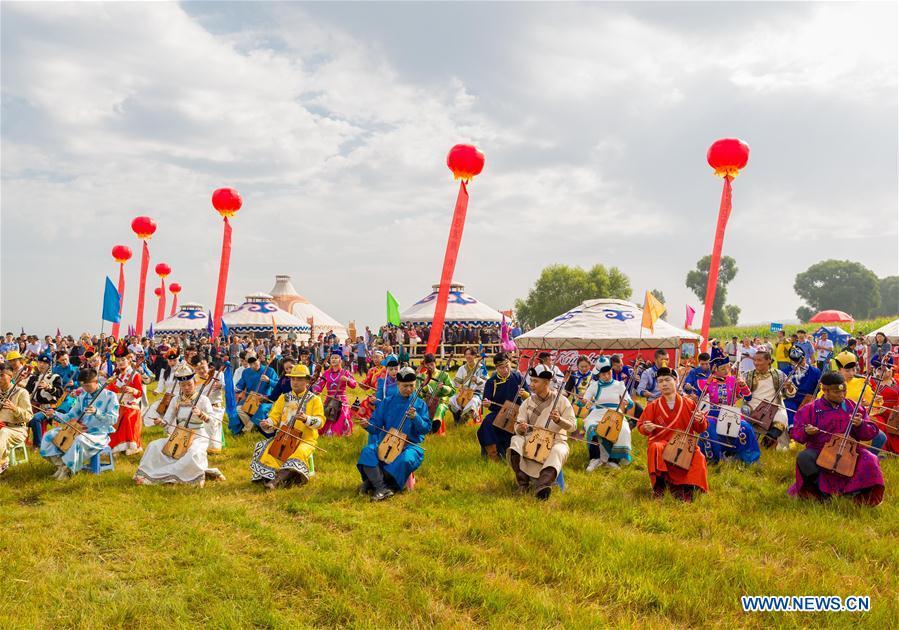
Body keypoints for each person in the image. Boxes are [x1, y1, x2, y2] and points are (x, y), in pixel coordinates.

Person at [788, 371, 884, 505]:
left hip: (850, 450)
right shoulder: (810, 409)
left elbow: (870, 432)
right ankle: (821, 494)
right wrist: (806, 431)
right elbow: (797, 434)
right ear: (824, 390)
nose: (841, 395)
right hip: (820, 450)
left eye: (844, 391)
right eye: (836, 392)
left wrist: (860, 424)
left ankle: (855, 494)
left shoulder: (853, 407)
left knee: (871, 459)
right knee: (804, 457)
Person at [134, 365, 224, 487]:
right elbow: (167, 420)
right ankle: (147, 475)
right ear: (180, 386)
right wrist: (161, 422)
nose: (186, 388)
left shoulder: (203, 400)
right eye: (183, 385)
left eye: (189, 384)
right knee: (153, 446)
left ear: (195, 383)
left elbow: (213, 420)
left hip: (198, 436)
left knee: (193, 453)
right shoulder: (175, 399)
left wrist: (202, 415)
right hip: (179, 436)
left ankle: (191, 477)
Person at [357, 366, 430, 501]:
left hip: (410, 445)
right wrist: (367, 425)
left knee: (407, 459)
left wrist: (416, 418)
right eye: (405, 386)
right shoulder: (387, 402)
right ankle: (381, 487)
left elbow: (425, 429)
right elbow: (376, 426)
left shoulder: (420, 404)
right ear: (398, 384)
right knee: (368, 451)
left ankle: (374, 483)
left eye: (412, 386)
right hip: (388, 442)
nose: (409, 389)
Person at [637, 367, 709, 501]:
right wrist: (647, 428)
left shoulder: (689, 403)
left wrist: (701, 420)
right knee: (655, 448)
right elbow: (641, 426)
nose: (663, 384)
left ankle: (687, 488)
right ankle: (660, 487)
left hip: (683, 444)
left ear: (675, 381)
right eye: (660, 381)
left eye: (667, 380)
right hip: (662, 443)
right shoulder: (652, 406)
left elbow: (700, 429)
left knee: (698, 455)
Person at [251, 364, 324, 489]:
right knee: (264, 447)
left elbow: (320, 422)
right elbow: (274, 416)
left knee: (299, 453)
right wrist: (268, 422)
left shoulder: (315, 399)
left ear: (307, 381)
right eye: (293, 379)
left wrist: (306, 419)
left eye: (299, 379)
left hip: (305, 440)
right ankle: (281, 477)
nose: (295, 382)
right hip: (283, 438)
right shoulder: (283, 398)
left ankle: (275, 481)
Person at [508, 364, 575, 500]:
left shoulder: (562, 401)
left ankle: (542, 486)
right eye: (531, 380)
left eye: (535, 381)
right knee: (516, 441)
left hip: (556, 440)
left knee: (558, 451)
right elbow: (518, 424)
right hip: (532, 437)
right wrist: (520, 428)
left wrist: (559, 420)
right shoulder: (527, 402)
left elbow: (573, 426)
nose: (531, 384)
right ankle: (523, 483)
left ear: (546, 383)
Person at [39, 368, 118, 479]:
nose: (85, 389)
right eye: (83, 386)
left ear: (96, 382)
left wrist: (96, 412)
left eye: (88, 386)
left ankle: (68, 469)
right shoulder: (83, 396)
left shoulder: (110, 396)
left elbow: (113, 420)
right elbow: (70, 416)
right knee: (49, 435)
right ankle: (61, 465)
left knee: (79, 440)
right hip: (79, 430)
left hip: (99, 433)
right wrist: (55, 414)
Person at [697, 356, 760, 464]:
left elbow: (748, 398)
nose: (727, 371)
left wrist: (743, 385)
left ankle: (747, 458)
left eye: (728, 367)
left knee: (746, 428)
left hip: (731, 413)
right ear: (715, 370)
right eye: (722, 369)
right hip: (713, 414)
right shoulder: (707, 382)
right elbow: (697, 397)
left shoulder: (733, 381)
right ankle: (713, 458)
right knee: (708, 427)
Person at [582, 357, 633, 471]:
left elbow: (629, 402)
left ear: (612, 371)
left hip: (615, 413)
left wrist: (627, 402)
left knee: (624, 430)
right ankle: (595, 459)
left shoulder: (619, 384)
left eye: (609, 373)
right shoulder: (594, 385)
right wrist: (583, 401)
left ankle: (614, 460)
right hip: (598, 412)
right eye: (603, 374)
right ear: (599, 374)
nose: (606, 376)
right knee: (591, 426)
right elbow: (585, 400)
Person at [478, 352, 527, 461]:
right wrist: (487, 403)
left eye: (507, 366)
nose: (505, 370)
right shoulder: (492, 382)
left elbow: (529, 397)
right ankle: (493, 454)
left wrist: (524, 394)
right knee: (487, 423)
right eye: (501, 368)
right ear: (496, 368)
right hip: (498, 412)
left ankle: (514, 453)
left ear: (510, 364)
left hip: (516, 413)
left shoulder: (518, 377)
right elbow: (487, 400)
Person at [742, 350, 790, 449]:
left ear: (769, 360)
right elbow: (739, 394)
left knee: (781, 419)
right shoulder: (747, 375)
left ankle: (765, 444)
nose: (756, 363)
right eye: (755, 360)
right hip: (753, 406)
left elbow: (789, 394)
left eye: (759, 360)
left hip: (775, 407)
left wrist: (789, 387)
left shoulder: (779, 374)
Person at [107, 345, 144, 455]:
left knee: (127, 417)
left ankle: (130, 444)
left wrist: (132, 390)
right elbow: (110, 390)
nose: (121, 362)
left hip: (131, 405)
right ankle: (116, 445)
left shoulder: (135, 375)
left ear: (128, 360)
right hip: (117, 404)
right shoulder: (115, 375)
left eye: (123, 359)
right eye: (118, 360)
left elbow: (140, 393)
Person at [313, 353, 358, 436]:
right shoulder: (326, 373)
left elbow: (354, 385)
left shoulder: (345, 372)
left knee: (343, 414)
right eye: (332, 358)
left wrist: (347, 380)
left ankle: (338, 433)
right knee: (326, 414)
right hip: (330, 398)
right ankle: (326, 433)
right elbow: (319, 385)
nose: (333, 359)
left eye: (336, 358)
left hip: (342, 399)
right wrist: (315, 391)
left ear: (340, 360)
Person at [0, 362, 33, 475]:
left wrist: (15, 409)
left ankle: (2, 462)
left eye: (1, 375)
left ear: (11, 376)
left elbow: (28, 416)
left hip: (17, 429)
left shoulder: (21, 392)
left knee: (3, 432)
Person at [25, 354, 64, 447]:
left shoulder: (56, 377)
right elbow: (26, 392)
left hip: (48, 409)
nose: (42, 365)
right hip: (33, 407)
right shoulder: (33, 378)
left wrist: (48, 387)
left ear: (49, 365)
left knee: (35, 419)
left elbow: (59, 393)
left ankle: (38, 445)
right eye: (40, 362)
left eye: (45, 363)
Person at [234, 354, 277, 435]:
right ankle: (255, 428)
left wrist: (269, 381)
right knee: (238, 408)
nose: (253, 366)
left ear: (259, 359)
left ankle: (246, 430)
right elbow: (240, 386)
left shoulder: (270, 371)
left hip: (265, 400)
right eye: (250, 364)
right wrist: (234, 389)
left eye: (255, 362)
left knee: (261, 409)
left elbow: (278, 386)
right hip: (250, 399)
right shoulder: (246, 372)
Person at [782, 347, 822, 430]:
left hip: (809, 399)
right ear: (791, 361)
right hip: (791, 399)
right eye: (795, 362)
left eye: (801, 361)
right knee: (788, 406)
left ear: (804, 358)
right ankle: (792, 429)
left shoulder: (815, 371)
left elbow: (819, 390)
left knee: (809, 410)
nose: (798, 364)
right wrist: (788, 387)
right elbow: (782, 391)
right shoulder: (785, 371)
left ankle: (806, 429)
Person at [418, 353, 455, 435]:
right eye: (427, 365)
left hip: (441, 400)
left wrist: (443, 387)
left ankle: (436, 425)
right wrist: (424, 388)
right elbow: (419, 394)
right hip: (428, 400)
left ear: (435, 363)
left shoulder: (444, 374)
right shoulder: (424, 376)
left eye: (432, 364)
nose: (430, 367)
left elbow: (452, 391)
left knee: (440, 408)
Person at [143, 349, 181, 427]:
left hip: (179, 397)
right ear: (167, 360)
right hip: (167, 398)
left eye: (175, 360)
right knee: (153, 409)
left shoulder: (183, 369)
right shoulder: (164, 371)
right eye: (170, 361)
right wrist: (157, 391)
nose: (172, 363)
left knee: (175, 415)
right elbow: (160, 385)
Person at [868, 354, 898, 454]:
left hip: (894, 414)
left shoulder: (896, 382)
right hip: (877, 412)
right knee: (879, 424)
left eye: (885, 369)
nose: (882, 371)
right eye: (880, 369)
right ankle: (882, 451)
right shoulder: (870, 382)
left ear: (891, 370)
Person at [448, 348, 486, 424]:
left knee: (473, 402)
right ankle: (457, 417)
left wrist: (477, 380)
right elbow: (456, 382)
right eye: (466, 354)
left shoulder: (481, 368)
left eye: (470, 354)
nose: (468, 356)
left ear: (475, 355)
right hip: (464, 393)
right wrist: (459, 387)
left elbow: (487, 383)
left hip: (476, 393)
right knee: (452, 400)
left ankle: (463, 420)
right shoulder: (462, 368)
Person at [563, 355, 595, 432]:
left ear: (590, 366)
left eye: (586, 366)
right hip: (575, 404)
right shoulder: (573, 376)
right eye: (581, 367)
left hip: (590, 406)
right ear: (577, 366)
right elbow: (567, 392)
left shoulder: (594, 377)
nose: (584, 369)